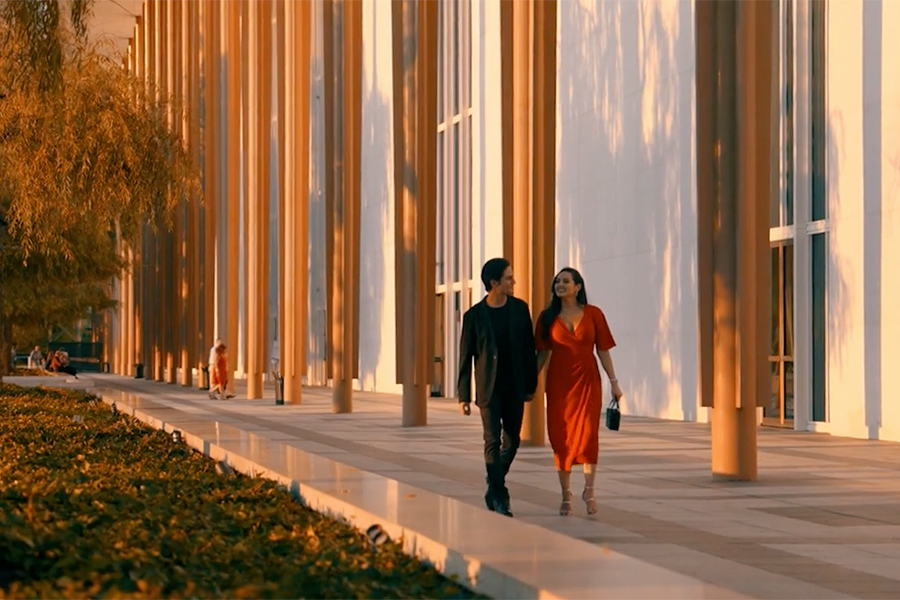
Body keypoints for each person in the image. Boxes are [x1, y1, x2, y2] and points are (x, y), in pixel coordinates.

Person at [535, 267, 623, 516]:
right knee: (561, 438)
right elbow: (541, 354)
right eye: (557, 281)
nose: (560, 285)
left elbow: (603, 350)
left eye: (565, 281)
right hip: (559, 384)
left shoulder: (593, 314)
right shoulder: (546, 317)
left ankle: (589, 490)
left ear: (578, 286)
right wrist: (530, 382)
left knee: (587, 436)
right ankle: (565, 495)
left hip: (587, 382)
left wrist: (614, 382)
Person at [457, 258, 537, 517]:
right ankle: (501, 497)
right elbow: (465, 356)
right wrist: (463, 396)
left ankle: (493, 485)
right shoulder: (474, 316)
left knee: (512, 442)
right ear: (494, 283)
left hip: (515, 387)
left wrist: (531, 385)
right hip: (488, 390)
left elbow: (528, 351)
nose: (513, 282)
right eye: (509, 278)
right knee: (491, 441)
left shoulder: (520, 309)